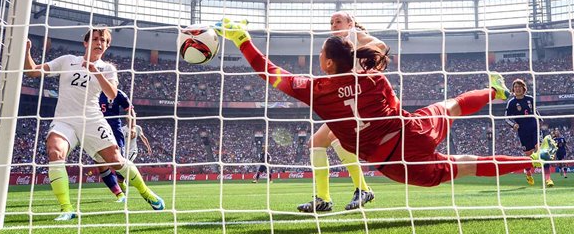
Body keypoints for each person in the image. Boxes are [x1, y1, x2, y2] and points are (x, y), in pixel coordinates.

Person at [215, 19, 556, 213]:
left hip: (391, 163)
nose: (319, 55)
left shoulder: (314, 88)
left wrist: (242, 38)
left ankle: (532, 162)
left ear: (328, 63)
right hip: (413, 131)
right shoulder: (373, 77)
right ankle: (494, 93)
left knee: (466, 164)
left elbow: (269, 72)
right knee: (451, 106)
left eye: (321, 52)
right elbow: (377, 47)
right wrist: (355, 34)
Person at [24, 29, 164, 221]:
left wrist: (96, 72)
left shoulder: (108, 68)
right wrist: (26, 51)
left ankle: (146, 192)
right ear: (86, 42)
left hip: (92, 120)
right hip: (64, 121)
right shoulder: (67, 60)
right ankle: (67, 209)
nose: (99, 42)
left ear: (107, 46)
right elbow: (32, 71)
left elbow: (113, 94)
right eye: (96, 39)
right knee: (55, 152)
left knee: (116, 160)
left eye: (103, 40)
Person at [304, 12, 386, 211]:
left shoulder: (355, 36)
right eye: (331, 22)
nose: (333, 25)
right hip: (347, 100)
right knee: (316, 141)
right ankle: (323, 198)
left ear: (350, 24)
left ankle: (362, 189)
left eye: (338, 21)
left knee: (336, 136)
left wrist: (358, 63)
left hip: (362, 101)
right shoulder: (335, 44)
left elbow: (381, 46)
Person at [505, 79, 555, 187]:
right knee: (529, 156)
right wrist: (513, 125)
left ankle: (548, 179)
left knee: (542, 151)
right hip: (523, 131)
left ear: (524, 88)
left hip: (534, 127)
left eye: (519, 86)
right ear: (513, 89)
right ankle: (528, 172)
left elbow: (535, 111)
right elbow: (507, 118)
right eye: (516, 87)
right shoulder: (511, 103)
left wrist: (540, 120)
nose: (517, 89)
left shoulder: (530, 99)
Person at [98, 89, 136, 201]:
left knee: (120, 161)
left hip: (115, 131)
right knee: (101, 164)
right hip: (97, 131)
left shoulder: (117, 93)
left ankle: (121, 180)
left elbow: (130, 110)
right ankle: (119, 193)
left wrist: (132, 126)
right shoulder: (92, 91)